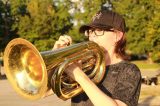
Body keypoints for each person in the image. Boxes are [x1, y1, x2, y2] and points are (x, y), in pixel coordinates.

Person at [52, 9, 141, 106]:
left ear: (117, 36)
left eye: (99, 30)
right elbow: (44, 91)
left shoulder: (130, 70)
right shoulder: (86, 66)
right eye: (90, 31)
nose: (92, 36)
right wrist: (55, 56)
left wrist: (79, 75)